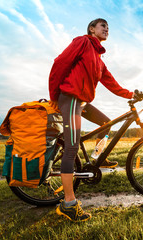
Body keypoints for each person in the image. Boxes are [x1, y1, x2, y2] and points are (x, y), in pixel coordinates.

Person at [48, 18, 134, 222]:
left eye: (108, 27)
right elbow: (59, 63)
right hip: (69, 98)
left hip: (82, 102)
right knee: (71, 148)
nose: (106, 29)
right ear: (91, 29)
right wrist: (54, 97)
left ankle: (96, 159)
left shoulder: (98, 59)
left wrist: (131, 94)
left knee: (107, 124)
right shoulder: (83, 42)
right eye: (102, 26)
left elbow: (112, 84)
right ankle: (69, 204)